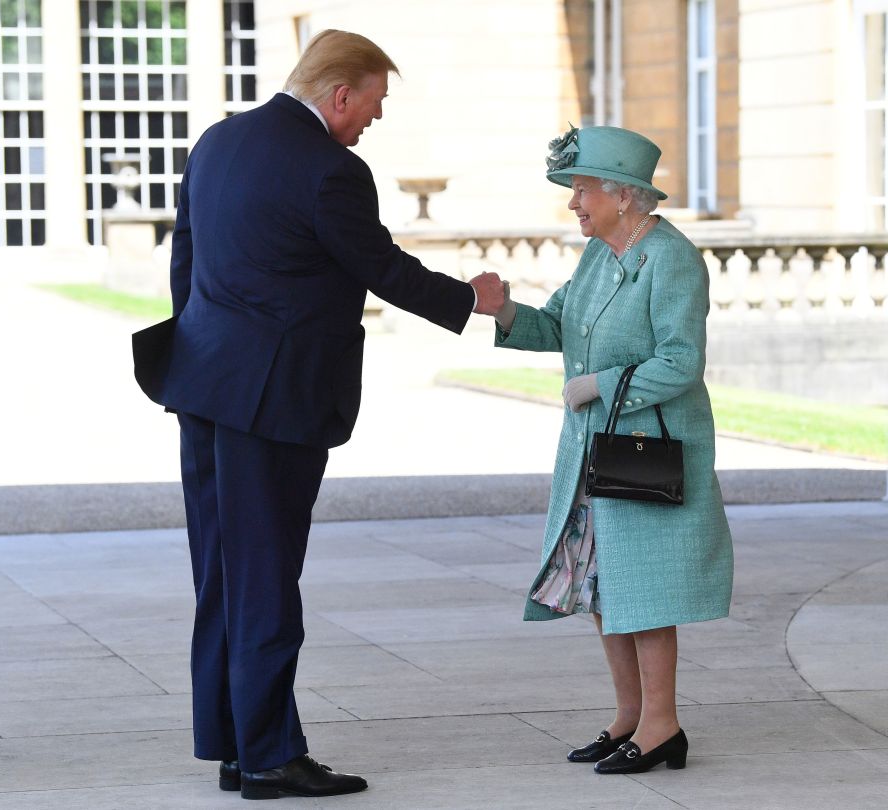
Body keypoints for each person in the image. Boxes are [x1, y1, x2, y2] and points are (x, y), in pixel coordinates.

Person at [132, 30, 504, 800]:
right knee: (266, 576)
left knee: (225, 576)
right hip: (274, 403)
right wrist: (472, 300)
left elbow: (185, 266)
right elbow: (381, 267)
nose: (374, 119)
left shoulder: (218, 142)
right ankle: (269, 756)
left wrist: (209, 353)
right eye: (373, 103)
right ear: (341, 94)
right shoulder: (331, 169)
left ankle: (237, 744)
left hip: (203, 388)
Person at [489, 125, 733, 774]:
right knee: (603, 587)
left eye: (581, 190)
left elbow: (681, 362)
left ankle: (663, 725)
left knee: (647, 591)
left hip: (646, 447)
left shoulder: (673, 260)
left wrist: (601, 385)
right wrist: (505, 311)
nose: (573, 203)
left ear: (624, 196)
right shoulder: (598, 255)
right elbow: (558, 324)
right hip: (595, 449)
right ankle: (630, 716)